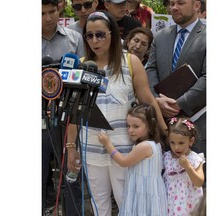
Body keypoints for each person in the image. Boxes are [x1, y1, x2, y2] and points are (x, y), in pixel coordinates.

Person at [66, 10, 167, 216]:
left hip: (125, 149)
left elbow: (147, 99)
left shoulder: (130, 61)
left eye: (100, 34)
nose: (95, 40)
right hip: (91, 148)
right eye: (89, 35)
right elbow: (74, 111)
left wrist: (166, 133)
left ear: (112, 34)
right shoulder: (82, 65)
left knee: (127, 203)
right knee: (99, 205)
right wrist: (70, 147)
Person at [145, 0, 206, 181]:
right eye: (171, 3)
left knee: (196, 185)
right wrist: (157, 100)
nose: (174, 8)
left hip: (197, 119)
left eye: (180, 3)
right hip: (163, 121)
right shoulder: (160, 36)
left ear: (197, 5)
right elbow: (150, 69)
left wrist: (180, 103)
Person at [42, 0, 84, 215]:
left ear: (59, 8)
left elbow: (84, 76)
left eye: (52, 11)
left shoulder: (74, 39)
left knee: (71, 172)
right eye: (42, 13)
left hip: (67, 118)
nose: (48, 18)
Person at [98, 103, 168, 216]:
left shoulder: (144, 146)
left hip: (144, 192)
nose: (130, 130)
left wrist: (107, 144)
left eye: (136, 126)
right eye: (128, 126)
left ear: (150, 126)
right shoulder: (155, 144)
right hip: (148, 190)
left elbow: (123, 162)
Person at [163, 117, 205, 216]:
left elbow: (199, 182)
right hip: (170, 203)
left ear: (191, 141)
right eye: (172, 142)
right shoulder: (166, 157)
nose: (176, 147)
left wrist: (188, 167)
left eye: (181, 143)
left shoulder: (195, 159)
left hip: (189, 202)